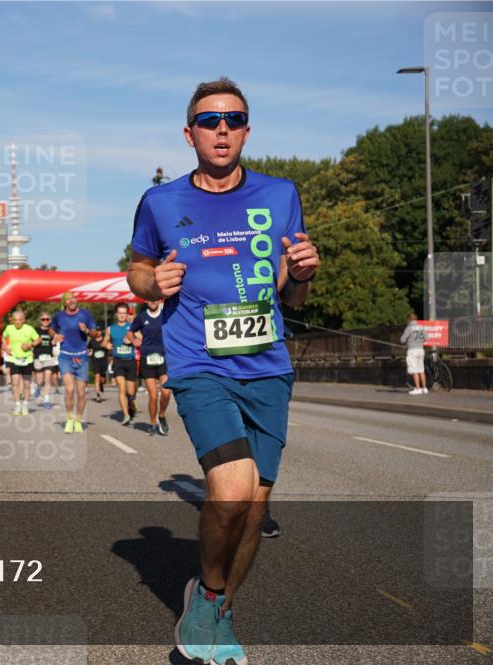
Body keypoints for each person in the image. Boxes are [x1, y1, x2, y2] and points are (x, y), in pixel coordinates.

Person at [126, 77, 320, 665]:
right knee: (231, 492)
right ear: (189, 135)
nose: (221, 129)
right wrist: (150, 283)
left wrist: (306, 273)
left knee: (255, 510)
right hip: (198, 361)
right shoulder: (160, 202)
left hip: (267, 365)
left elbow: (294, 299)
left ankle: (221, 608)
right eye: (209, 121)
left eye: (232, 119)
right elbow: (135, 270)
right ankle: (208, 599)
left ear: (246, 130)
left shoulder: (280, 194)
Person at [49, 292, 100, 433]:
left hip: (82, 357)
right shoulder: (59, 316)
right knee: (70, 389)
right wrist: (56, 335)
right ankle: (70, 419)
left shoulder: (85, 314)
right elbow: (51, 330)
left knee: (81, 393)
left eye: (74, 298)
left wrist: (88, 330)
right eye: (69, 299)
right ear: (65, 302)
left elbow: (96, 333)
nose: (72, 301)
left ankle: (78, 420)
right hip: (65, 356)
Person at [127, 299, 171, 435]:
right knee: (153, 396)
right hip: (147, 358)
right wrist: (134, 340)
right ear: (146, 300)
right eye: (151, 299)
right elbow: (130, 331)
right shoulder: (142, 317)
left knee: (166, 392)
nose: (153, 301)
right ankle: (153, 422)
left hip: (162, 357)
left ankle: (162, 415)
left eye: (156, 298)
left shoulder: (165, 314)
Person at [103, 303, 138, 426]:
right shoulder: (110, 328)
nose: (122, 315)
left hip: (130, 361)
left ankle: (131, 403)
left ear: (127, 314)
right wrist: (107, 345)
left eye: (124, 313)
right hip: (118, 361)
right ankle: (126, 415)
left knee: (131, 391)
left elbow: (141, 340)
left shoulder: (133, 327)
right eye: (120, 313)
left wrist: (132, 340)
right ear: (116, 314)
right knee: (121, 388)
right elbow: (104, 342)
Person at [1, 308, 40, 416]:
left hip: (27, 359)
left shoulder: (29, 329)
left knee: (27, 385)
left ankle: (25, 405)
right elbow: (3, 337)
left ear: (23, 320)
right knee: (15, 383)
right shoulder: (9, 328)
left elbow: (38, 339)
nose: (17, 322)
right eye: (15, 320)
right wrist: (5, 346)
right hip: (14, 359)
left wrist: (30, 345)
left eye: (20, 320)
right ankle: (18, 405)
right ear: (12, 321)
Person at [33, 311, 57, 409]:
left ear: (50, 320)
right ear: (40, 321)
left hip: (48, 357)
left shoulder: (52, 331)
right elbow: (32, 341)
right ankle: (38, 389)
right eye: (43, 319)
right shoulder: (36, 330)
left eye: (47, 319)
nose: (45, 321)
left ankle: (46, 400)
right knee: (39, 381)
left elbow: (55, 343)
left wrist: (55, 340)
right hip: (38, 357)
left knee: (48, 378)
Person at [400, 311, 428, 395]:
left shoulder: (409, 327)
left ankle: (417, 388)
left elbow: (402, 340)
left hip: (412, 350)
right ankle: (424, 388)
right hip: (420, 349)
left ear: (409, 319)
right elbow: (426, 338)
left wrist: (409, 342)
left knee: (414, 370)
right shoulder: (421, 327)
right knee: (421, 370)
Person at [89, 332, 107, 402]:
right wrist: (90, 352)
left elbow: (109, 347)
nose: (98, 332)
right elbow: (89, 348)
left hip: (104, 361)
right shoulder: (92, 341)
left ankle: (101, 384)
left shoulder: (105, 340)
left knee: (102, 379)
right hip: (95, 362)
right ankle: (98, 395)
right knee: (97, 377)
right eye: (97, 330)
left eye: (99, 331)